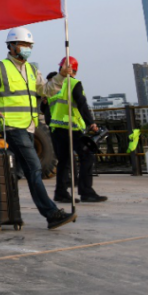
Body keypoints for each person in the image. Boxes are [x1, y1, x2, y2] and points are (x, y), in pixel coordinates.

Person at [0, 27, 77, 229]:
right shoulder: (0, 68)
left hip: (29, 126)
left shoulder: (31, 70)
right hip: (12, 126)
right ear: (11, 46)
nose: (27, 48)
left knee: (16, 172)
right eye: (23, 44)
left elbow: (45, 90)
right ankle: (51, 213)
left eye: (29, 45)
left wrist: (61, 76)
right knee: (34, 168)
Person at [49, 56, 106, 204]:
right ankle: (86, 192)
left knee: (64, 160)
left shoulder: (52, 85)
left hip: (56, 129)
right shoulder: (73, 83)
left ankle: (60, 193)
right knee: (87, 157)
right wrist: (91, 123)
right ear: (75, 70)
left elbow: (46, 108)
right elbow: (82, 104)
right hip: (71, 128)